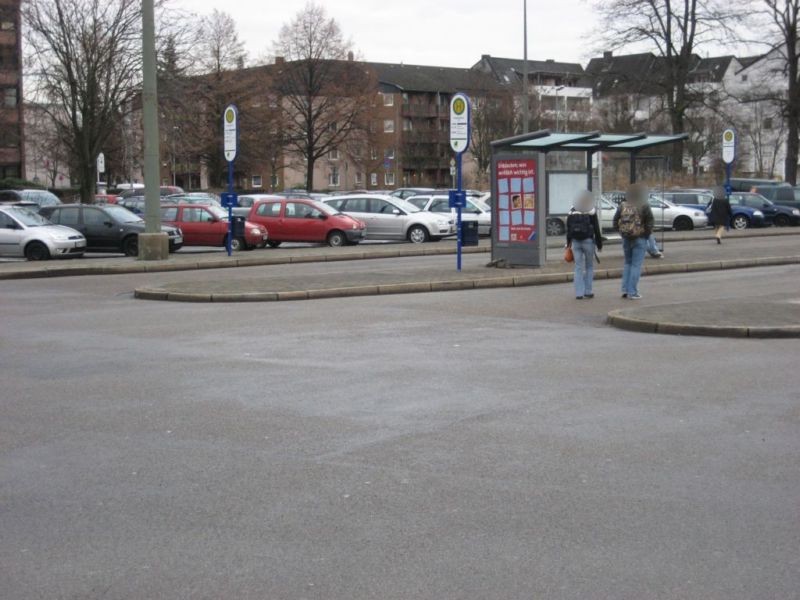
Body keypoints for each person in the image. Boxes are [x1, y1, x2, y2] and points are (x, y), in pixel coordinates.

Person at [613, 183, 654, 300]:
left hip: (626, 238)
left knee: (627, 264)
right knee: (636, 265)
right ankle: (633, 292)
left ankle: (625, 290)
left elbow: (615, 221)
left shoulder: (622, 205)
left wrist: (622, 233)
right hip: (639, 238)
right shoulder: (644, 205)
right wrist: (645, 235)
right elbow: (650, 221)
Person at [566, 191, 603, 300]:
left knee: (578, 267)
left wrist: (568, 244)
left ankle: (578, 293)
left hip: (575, 242)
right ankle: (588, 291)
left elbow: (568, 230)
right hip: (588, 241)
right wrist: (599, 244)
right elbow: (596, 228)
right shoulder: (591, 211)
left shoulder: (571, 211)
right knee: (589, 266)